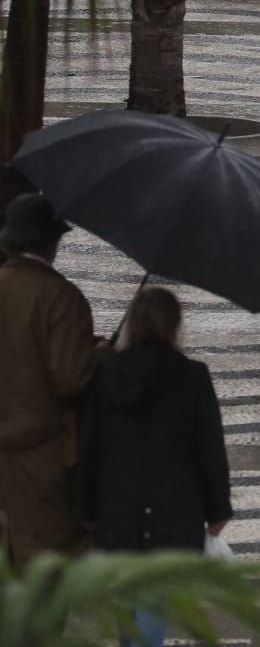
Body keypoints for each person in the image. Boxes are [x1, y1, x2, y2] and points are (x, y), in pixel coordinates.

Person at [76, 288, 232, 647]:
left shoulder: (104, 376)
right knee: (154, 600)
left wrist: (84, 507)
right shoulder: (192, 376)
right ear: (174, 326)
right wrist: (218, 508)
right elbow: (210, 448)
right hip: (174, 510)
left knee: (128, 599)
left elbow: (89, 446)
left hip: (117, 509)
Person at [0, 193, 96, 567]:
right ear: (52, 242)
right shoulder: (62, 297)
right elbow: (71, 380)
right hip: (41, 460)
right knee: (42, 573)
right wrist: (96, 357)